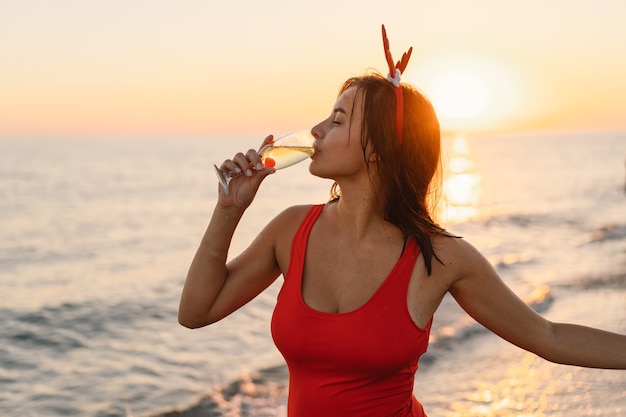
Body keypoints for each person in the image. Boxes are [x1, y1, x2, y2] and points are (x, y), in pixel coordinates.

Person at [178, 25, 626, 417]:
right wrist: (228, 210)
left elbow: (547, 336)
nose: (315, 130)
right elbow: (195, 313)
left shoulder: (441, 257)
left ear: (378, 147)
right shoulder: (291, 230)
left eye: (336, 119)